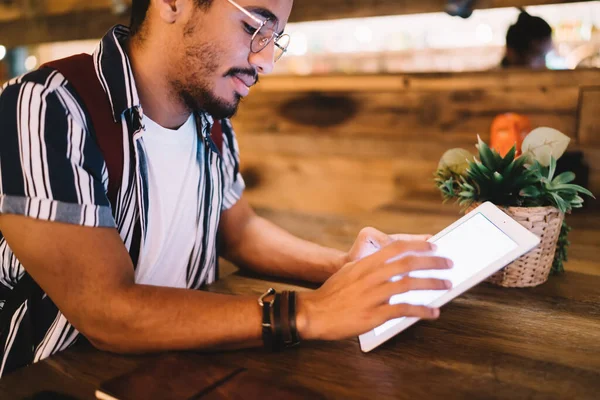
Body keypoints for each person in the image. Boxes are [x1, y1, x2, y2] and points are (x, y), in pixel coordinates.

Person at [0, 0, 453, 376]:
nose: (266, 61)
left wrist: (342, 268)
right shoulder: (45, 107)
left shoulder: (210, 120)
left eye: (275, 39)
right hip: (57, 380)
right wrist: (308, 312)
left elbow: (239, 230)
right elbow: (107, 311)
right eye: (255, 27)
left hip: (181, 367)